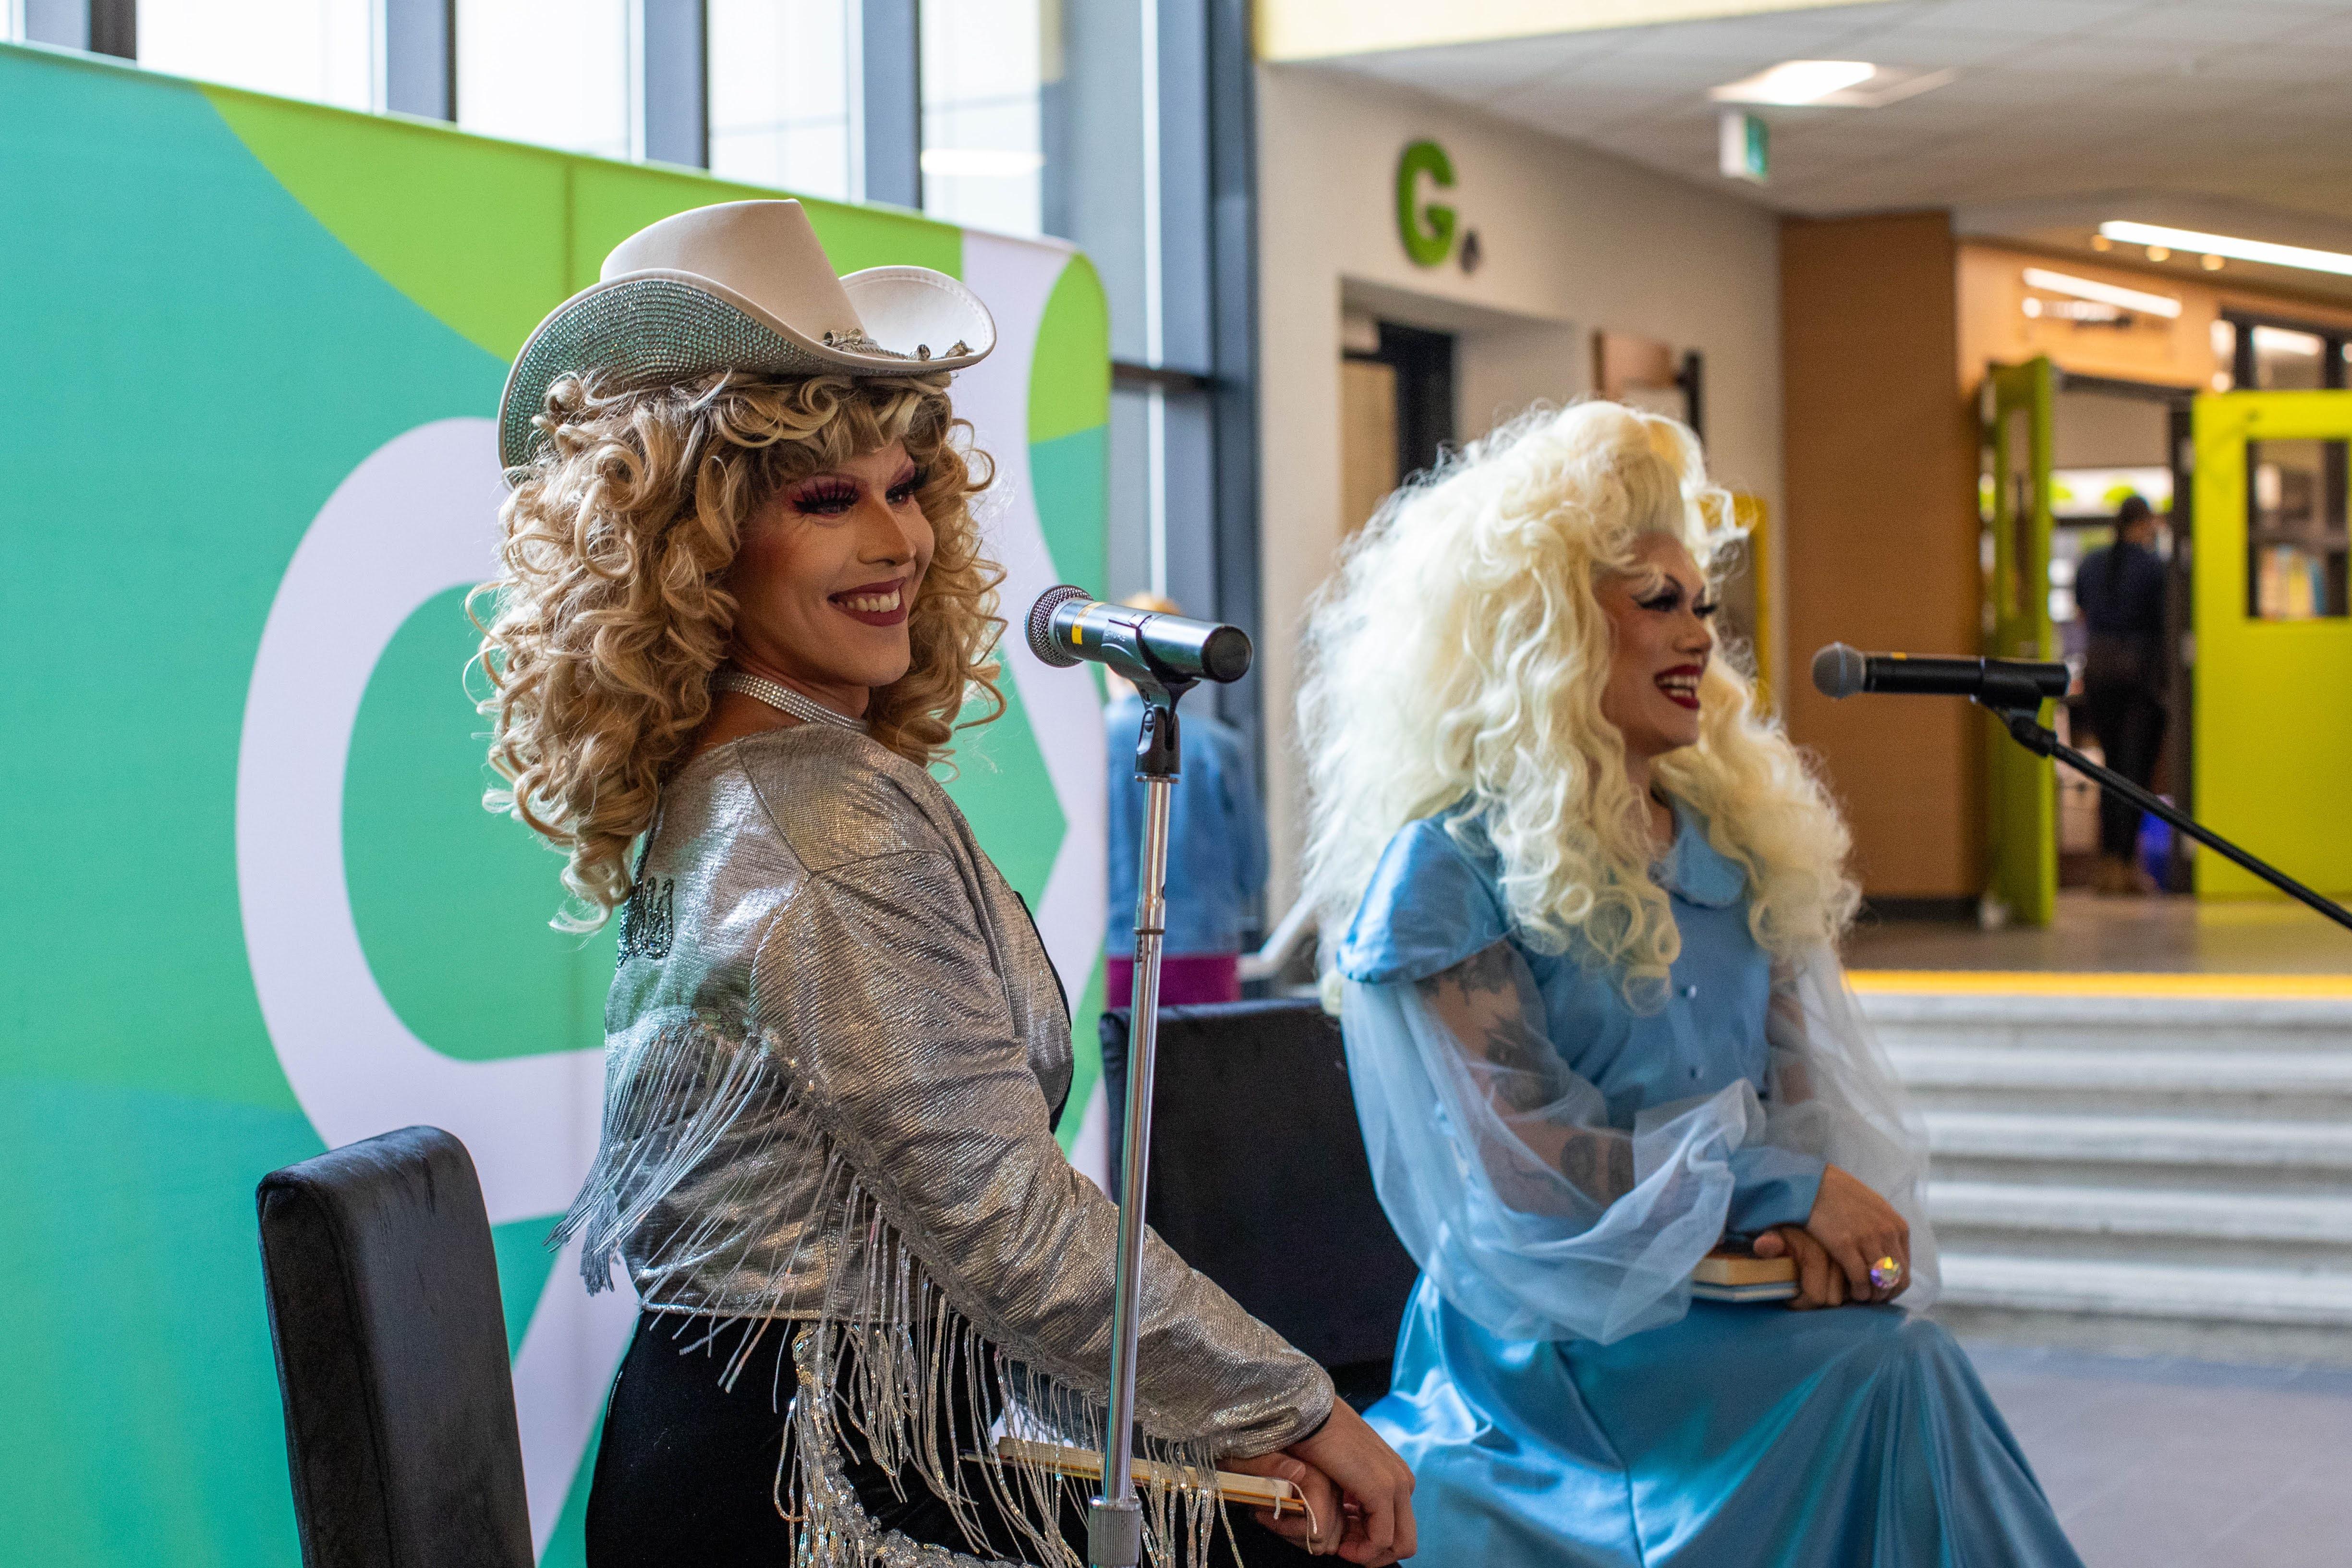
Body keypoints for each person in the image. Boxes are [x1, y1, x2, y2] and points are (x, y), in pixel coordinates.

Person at [475, 199, 1413, 1568]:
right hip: (803, 1498)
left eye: (903, 488)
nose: (895, 541)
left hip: (773, 1456)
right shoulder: (813, 821)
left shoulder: (752, 780)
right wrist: (1298, 1402)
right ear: (695, 545)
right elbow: (1010, 1227)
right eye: (824, 500)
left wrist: (1214, 1423)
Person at [1297, 401, 2081, 1566]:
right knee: (1897, 1376)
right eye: (1654, 601)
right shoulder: (1447, 868)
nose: (1697, 637)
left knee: (1897, 1363)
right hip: (1552, 1365)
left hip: (1722, 1313)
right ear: (1544, 623)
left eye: (1700, 604)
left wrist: (1800, 1227)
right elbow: (1528, 1171)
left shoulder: (1733, 845)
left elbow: (1797, 1105)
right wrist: (1773, 1187)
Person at [1105, 593, 1271, 1007]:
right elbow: (1255, 870)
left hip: (1116, 950)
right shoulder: (1222, 748)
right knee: (1205, 1071)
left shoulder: (1091, 744)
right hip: (1206, 949)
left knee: (1124, 1069)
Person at [2075, 494, 2169, 894]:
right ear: (2144, 524)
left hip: (2098, 673)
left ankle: (2107, 865)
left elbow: (2082, 611)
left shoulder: (2092, 564)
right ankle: (2126, 864)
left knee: (2109, 767)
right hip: (2137, 678)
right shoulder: (2152, 568)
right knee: (2134, 772)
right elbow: (2163, 624)